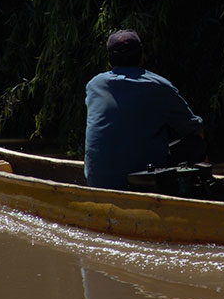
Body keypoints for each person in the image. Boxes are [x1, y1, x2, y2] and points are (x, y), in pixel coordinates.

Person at [84, 29, 204, 189]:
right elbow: (194, 128)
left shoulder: (94, 85)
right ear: (142, 57)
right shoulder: (159, 86)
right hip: (140, 184)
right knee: (195, 140)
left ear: (110, 60)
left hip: (97, 182)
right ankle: (203, 186)